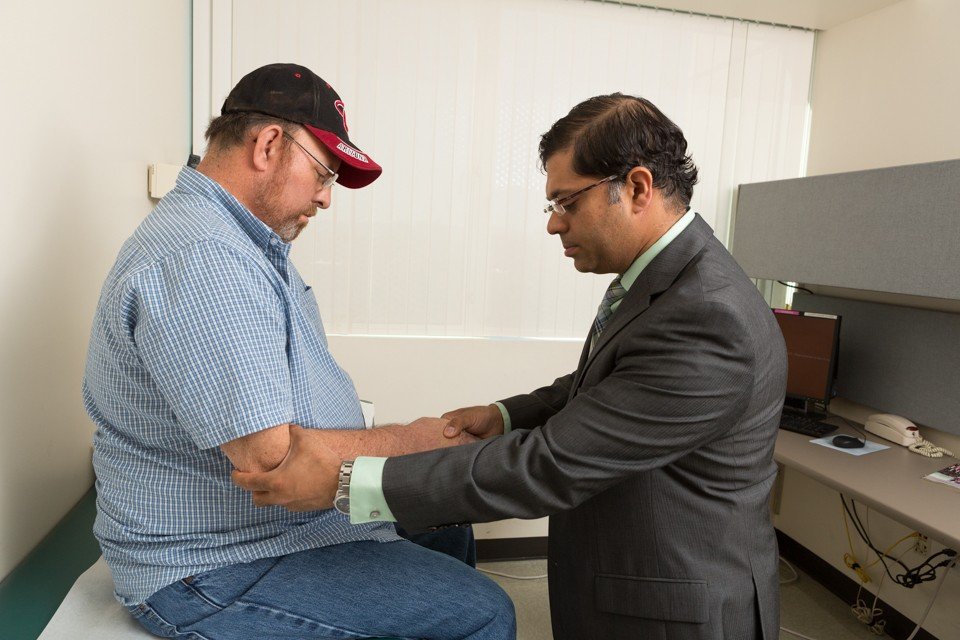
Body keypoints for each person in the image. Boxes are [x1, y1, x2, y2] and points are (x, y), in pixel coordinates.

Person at [234, 93, 789, 640]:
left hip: (673, 607)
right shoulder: (669, 277)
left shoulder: (709, 316)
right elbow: (608, 384)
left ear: (637, 188)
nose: (554, 225)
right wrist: (504, 416)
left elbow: (548, 467)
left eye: (566, 202)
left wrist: (346, 481)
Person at [83, 63, 515, 640]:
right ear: (267, 144)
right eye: (323, 173)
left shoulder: (247, 247)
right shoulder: (204, 257)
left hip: (275, 533)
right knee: (483, 611)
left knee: (444, 520)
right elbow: (272, 462)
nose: (326, 198)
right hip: (211, 567)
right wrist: (420, 438)